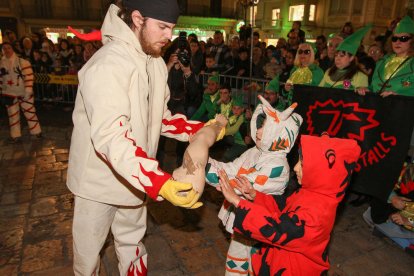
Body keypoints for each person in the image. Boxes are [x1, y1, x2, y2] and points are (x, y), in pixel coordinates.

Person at [66, 2, 221, 275]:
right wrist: (159, 182)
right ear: (137, 19)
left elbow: (158, 118)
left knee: (133, 245)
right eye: (162, 27)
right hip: (97, 185)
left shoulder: (156, 64)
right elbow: (112, 137)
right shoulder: (107, 65)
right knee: (88, 259)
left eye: (171, 28)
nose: (168, 36)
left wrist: (198, 129)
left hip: (135, 179)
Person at [218, 134, 361, 275]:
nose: (296, 167)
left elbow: (279, 227)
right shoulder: (312, 192)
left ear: (323, 173)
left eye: (303, 164)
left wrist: (238, 201)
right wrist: (256, 196)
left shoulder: (319, 214)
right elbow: (284, 206)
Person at [205, 95, 303, 275]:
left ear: (279, 135)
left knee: (257, 263)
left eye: (265, 128)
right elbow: (232, 168)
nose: (258, 131)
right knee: (238, 256)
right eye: (261, 126)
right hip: (244, 220)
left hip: (258, 225)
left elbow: (237, 184)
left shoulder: (277, 167)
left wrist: (202, 169)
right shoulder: (256, 151)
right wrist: (207, 161)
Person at [357, 15, 414, 97]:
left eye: (403, 38)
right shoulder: (382, 61)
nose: (397, 42)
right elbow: (374, 87)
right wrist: (366, 89)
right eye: (394, 38)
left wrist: (399, 95)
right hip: (378, 107)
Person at [0, 42, 42, 143]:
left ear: (12, 49)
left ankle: (36, 131)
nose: (6, 50)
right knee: (12, 115)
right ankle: (15, 135)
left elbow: (29, 77)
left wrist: (28, 90)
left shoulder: (23, 62)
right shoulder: (1, 63)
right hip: (9, 93)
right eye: (4, 48)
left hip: (24, 93)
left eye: (8, 48)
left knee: (30, 112)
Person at [319, 24, 371, 89]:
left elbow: (361, 97)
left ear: (351, 58)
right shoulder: (328, 72)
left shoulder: (360, 76)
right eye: (336, 55)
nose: (337, 59)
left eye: (341, 56)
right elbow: (319, 90)